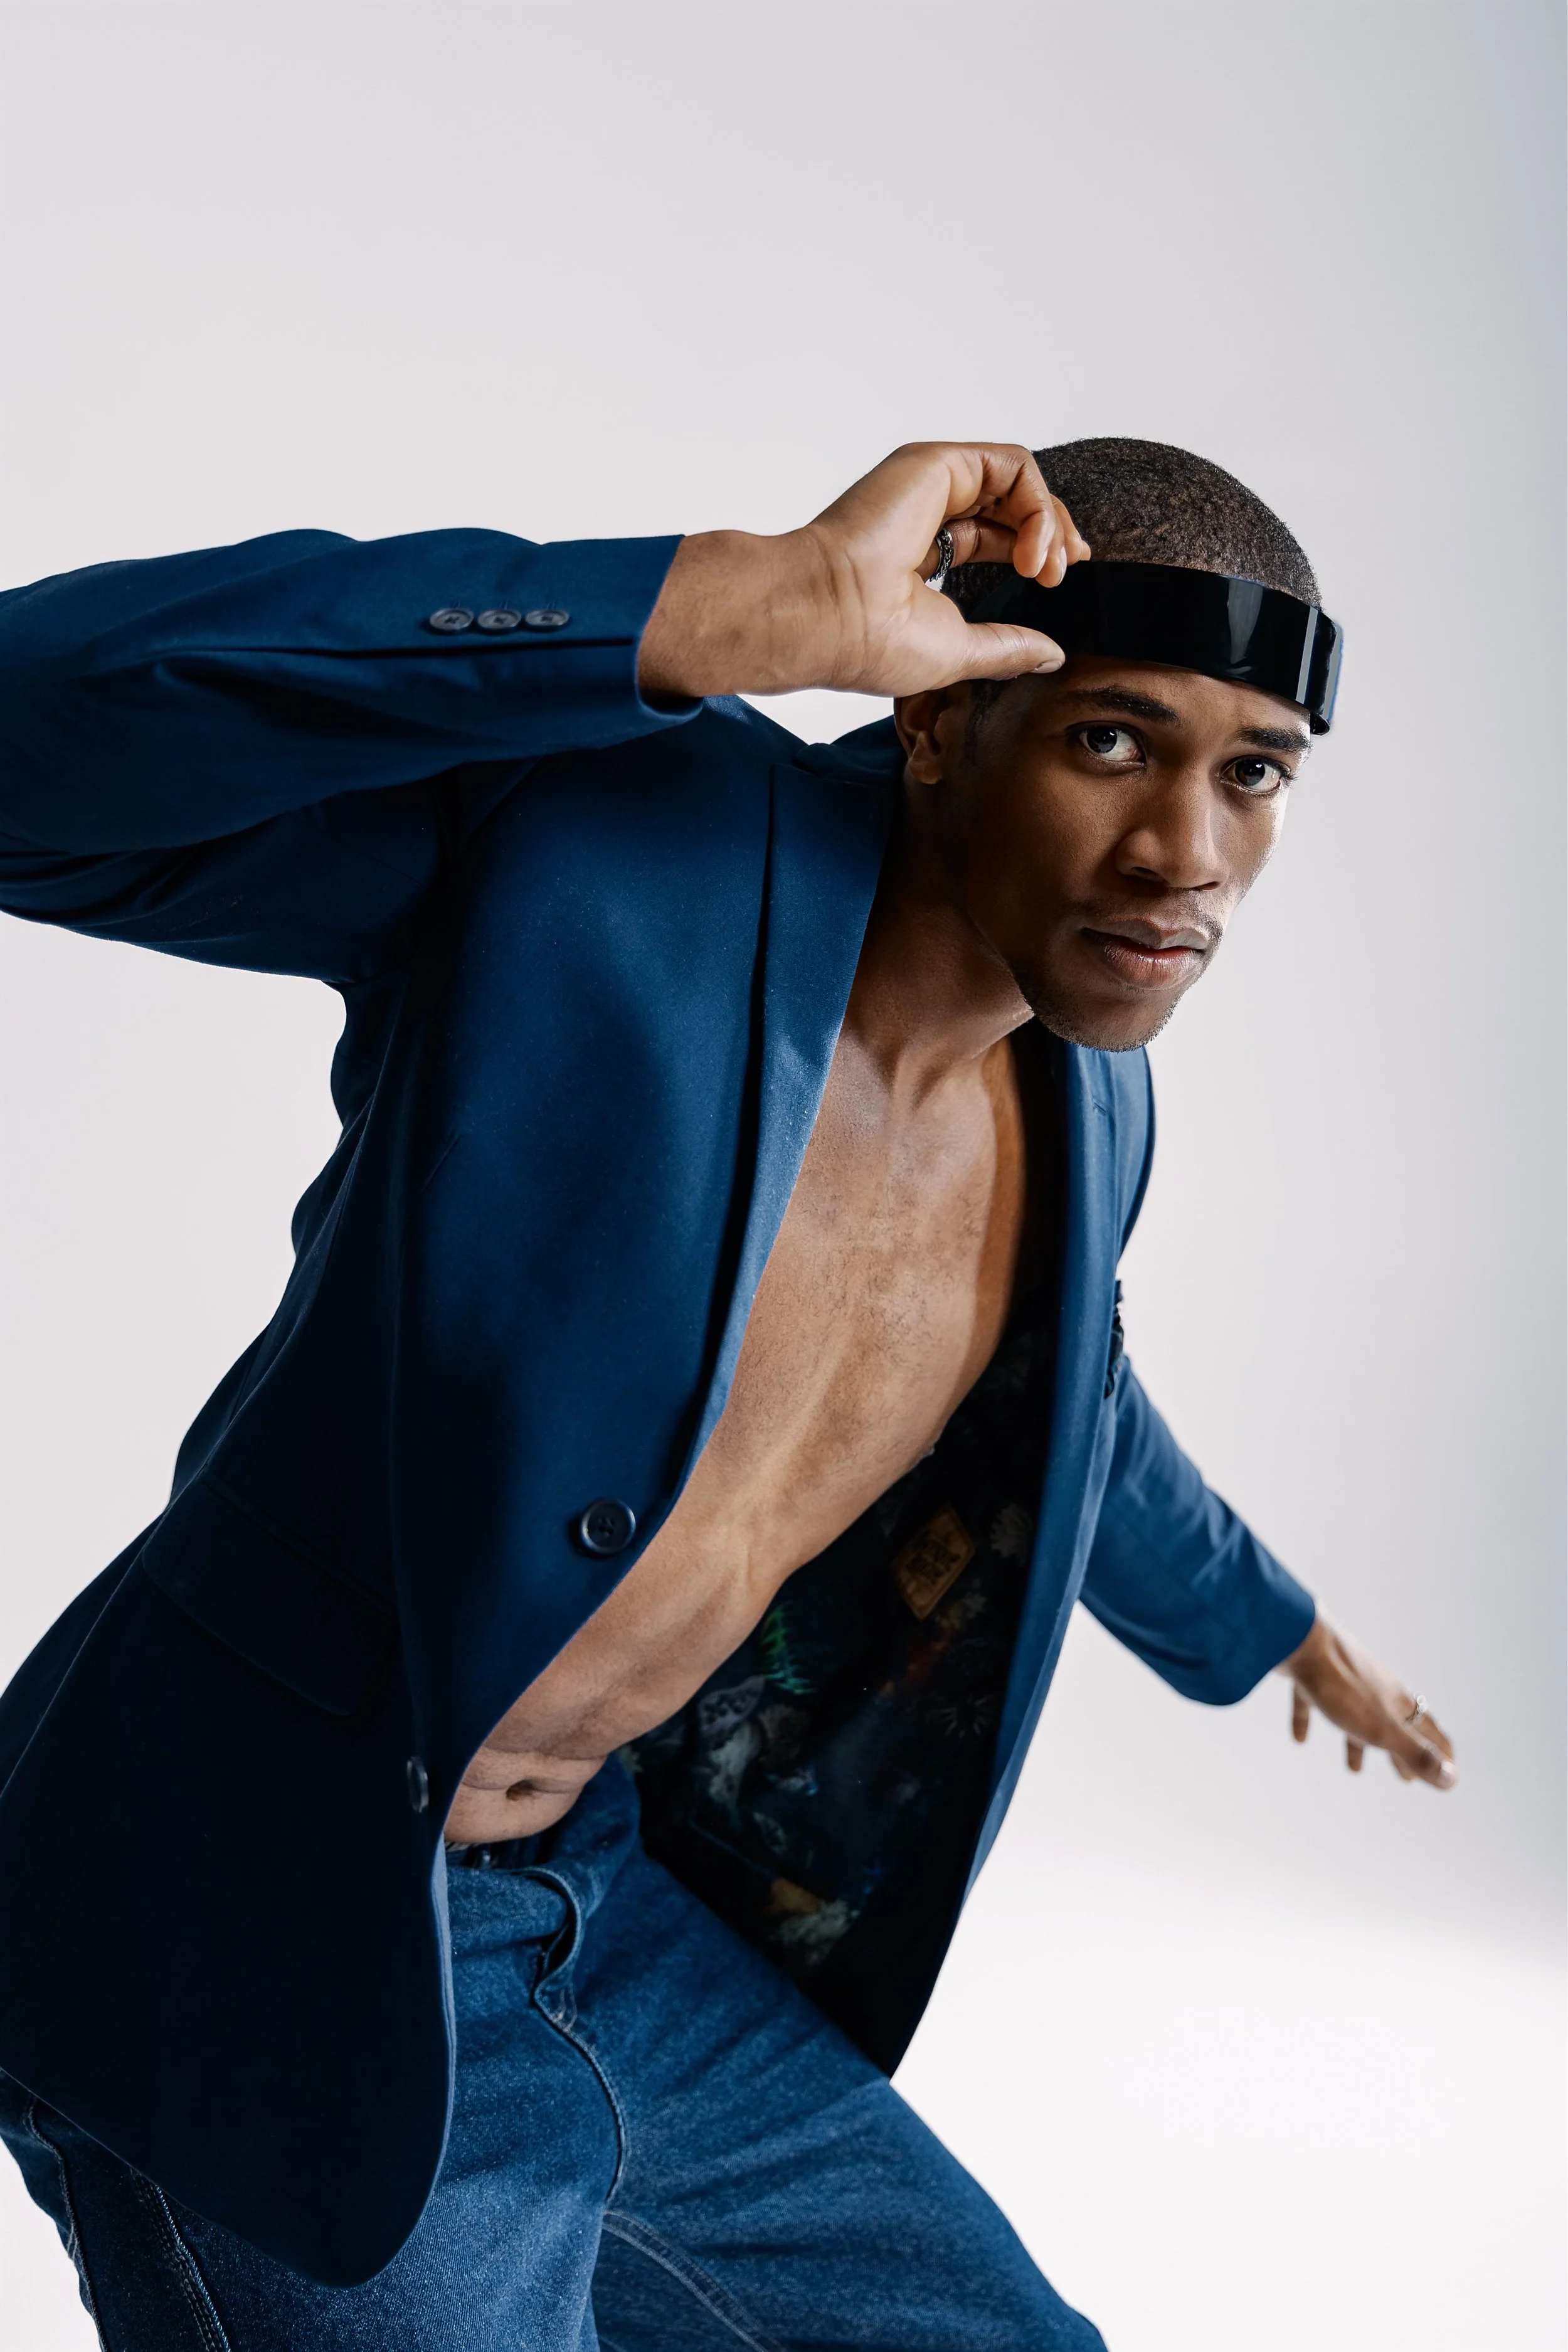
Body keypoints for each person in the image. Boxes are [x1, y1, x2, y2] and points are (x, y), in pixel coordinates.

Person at [0, 439, 1454, 2350]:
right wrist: (708, 607)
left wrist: (1276, 1627)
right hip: (266, 1903)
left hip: (608, 1920)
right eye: (1111, 741)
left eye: (1250, 771)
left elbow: (1072, 1400)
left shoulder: (1089, 1080)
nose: (1185, 851)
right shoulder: (605, 845)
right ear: (943, 722)